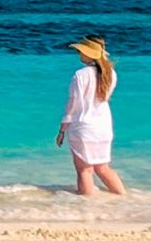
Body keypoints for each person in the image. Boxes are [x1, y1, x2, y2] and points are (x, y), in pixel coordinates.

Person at [56, 35, 125, 196]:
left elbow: (72, 104)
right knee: (103, 168)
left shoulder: (80, 75)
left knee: (84, 171)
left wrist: (62, 130)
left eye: (81, 51)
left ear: (89, 54)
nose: (79, 54)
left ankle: (87, 209)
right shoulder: (111, 73)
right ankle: (124, 201)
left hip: (83, 127)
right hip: (103, 127)